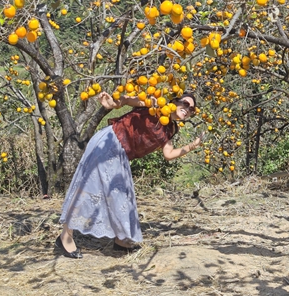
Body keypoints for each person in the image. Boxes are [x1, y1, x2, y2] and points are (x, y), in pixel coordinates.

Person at [55, 91, 204, 258]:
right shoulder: (155, 104)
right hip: (109, 141)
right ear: (175, 101)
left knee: (122, 194)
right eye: (185, 103)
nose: (188, 109)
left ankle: (122, 240)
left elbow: (168, 154)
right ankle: (65, 237)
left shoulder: (171, 128)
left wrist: (194, 145)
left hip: (121, 153)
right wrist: (113, 103)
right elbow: (126, 100)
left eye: (192, 109)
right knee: (88, 187)